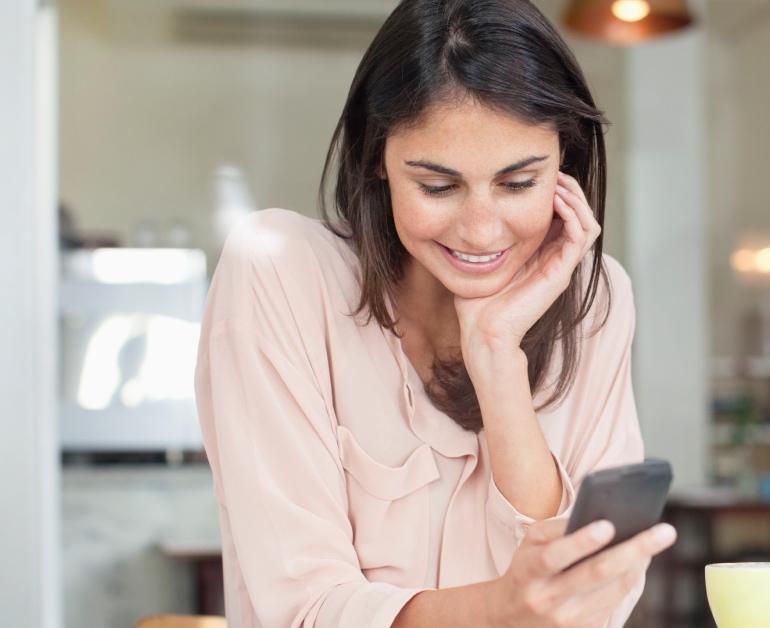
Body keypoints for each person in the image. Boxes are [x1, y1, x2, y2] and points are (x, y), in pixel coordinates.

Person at [193, 1, 676, 626]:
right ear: (376, 160)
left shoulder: (595, 301)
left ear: (566, 164)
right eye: (438, 187)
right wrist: (501, 607)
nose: (480, 231)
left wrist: (498, 356)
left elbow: (589, 601)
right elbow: (302, 609)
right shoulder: (281, 272)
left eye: (519, 183)